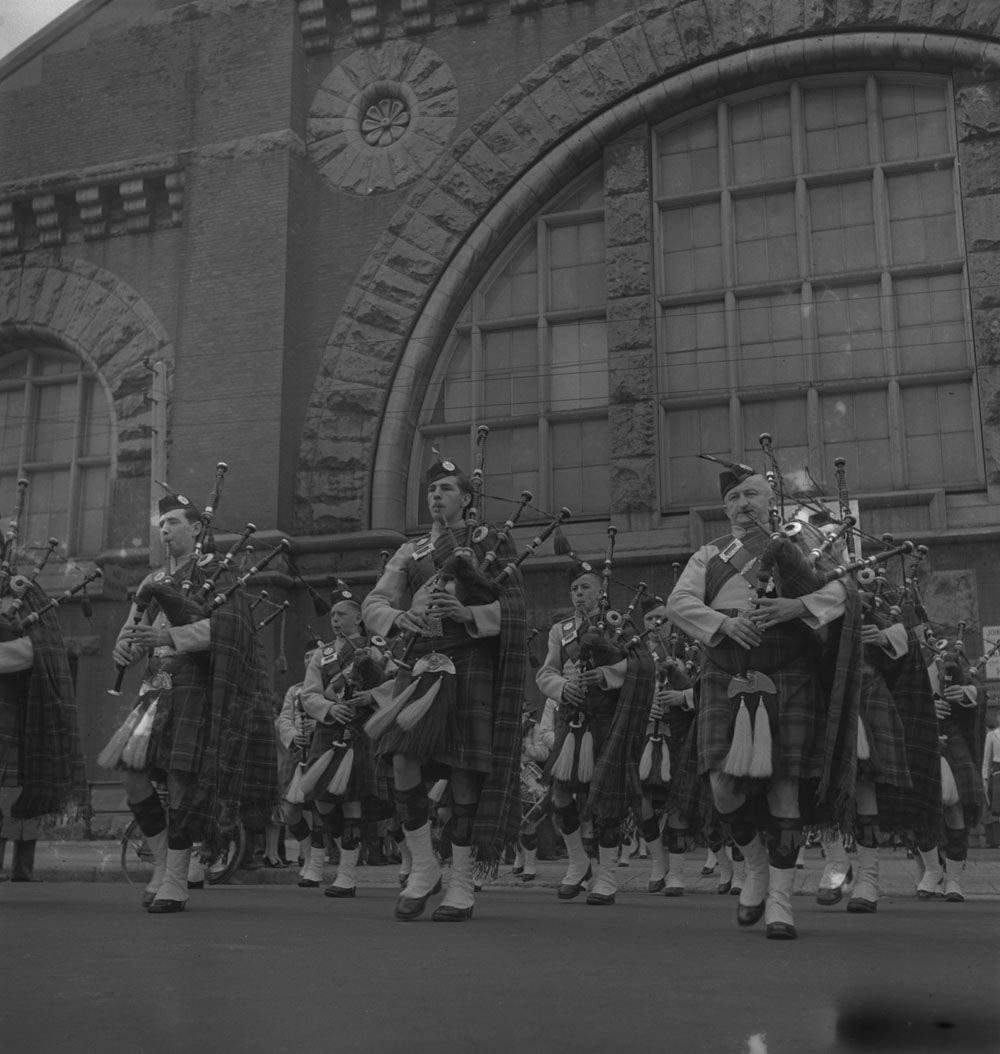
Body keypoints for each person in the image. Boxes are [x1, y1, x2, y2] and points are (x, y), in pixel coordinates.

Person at [667, 462, 859, 939]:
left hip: (787, 671)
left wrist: (798, 605)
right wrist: (726, 624)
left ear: (769, 500)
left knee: (784, 789)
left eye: (750, 495)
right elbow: (679, 603)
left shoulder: (802, 543)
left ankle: (780, 899)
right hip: (726, 672)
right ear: (724, 506)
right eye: (733, 498)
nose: (742, 504)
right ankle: (754, 866)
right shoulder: (709, 554)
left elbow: (843, 589)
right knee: (723, 787)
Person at [362, 457, 528, 922]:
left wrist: (469, 614)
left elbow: (516, 609)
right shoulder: (410, 552)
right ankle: (425, 867)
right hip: (420, 666)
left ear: (467, 498)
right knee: (400, 759)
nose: (436, 496)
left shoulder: (491, 541)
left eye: (446, 489)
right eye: (431, 489)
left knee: (461, 776)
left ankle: (460, 881)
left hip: (469, 662)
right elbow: (373, 602)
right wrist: (398, 617)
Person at [102, 488, 278, 913]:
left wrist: (168, 636)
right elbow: (132, 630)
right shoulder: (152, 581)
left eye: (174, 522)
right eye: (161, 524)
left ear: (197, 528)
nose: (165, 530)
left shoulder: (218, 571)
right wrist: (124, 649)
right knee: (131, 773)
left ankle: (177, 879)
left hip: (195, 685)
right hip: (155, 688)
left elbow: (229, 632)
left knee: (181, 780)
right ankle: (163, 864)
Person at [535, 561, 654, 906]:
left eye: (585, 588)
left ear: (601, 592)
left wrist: (607, 675)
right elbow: (546, 672)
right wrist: (560, 687)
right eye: (574, 589)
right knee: (559, 796)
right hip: (570, 717)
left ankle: (606, 876)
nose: (578, 594)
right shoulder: (561, 630)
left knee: (606, 800)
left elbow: (644, 664)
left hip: (608, 719)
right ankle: (578, 863)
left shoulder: (619, 624)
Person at [297, 588, 393, 898]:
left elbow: (395, 680)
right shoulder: (322, 654)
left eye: (341, 614)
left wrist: (373, 695)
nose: (335, 618)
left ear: (359, 618)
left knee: (352, 800)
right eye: (333, 614)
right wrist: (328, 708)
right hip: (329, 728)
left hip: (361, 728)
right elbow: (309, 693)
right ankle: (340, 855)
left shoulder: (376, 646)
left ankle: (347, 875)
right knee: (321, 798)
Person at [0, 565, 85, 883]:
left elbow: (40, 648)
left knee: (15, 790)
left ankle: (23, 867)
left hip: (18, 705)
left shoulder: (25, 591)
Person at [275, 640, 322, 878]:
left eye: (314, 656)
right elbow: (283, 719)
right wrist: (294, 735)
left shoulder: (331, 688)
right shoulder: (294, 690)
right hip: (297, 757)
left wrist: (319, 724)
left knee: (322, 810)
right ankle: (308, 852)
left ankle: (317, 862)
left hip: (323, 754)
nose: (309, 660)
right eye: (306, 656)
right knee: (290, 811)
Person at [512, 697, 555, 882]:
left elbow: (544, 753)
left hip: (528, 774)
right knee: (511, 820)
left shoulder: (533, 728)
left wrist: (526, 747)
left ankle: (530, 864)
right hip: (506, 774)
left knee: (528, 819)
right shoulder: (500, 724)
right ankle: (519, 856)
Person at [983, 711, 1000, 848]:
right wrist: (985, 778)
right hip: (997, 773)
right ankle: (997, 840)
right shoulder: (992, 735)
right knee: (996, 809)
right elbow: (986, 759)